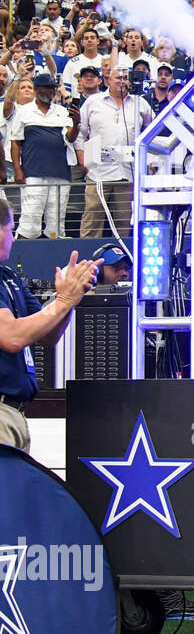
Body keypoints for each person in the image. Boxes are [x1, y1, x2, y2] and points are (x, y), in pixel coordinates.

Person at [0, 197, 100, 451]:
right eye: (10, 231)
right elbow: (11, 337)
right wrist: (64, 300)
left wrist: (69, 298)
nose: (13, 238)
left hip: (15, 411)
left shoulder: (9, 277)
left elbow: (47, 336)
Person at [76, 68, 152, 239]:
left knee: (124, 222)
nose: (122, 81)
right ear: (108, 80)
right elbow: (79, 133)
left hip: (128, 172)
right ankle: (87, 257)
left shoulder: (141, 103)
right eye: (118, 77)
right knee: (92, 218)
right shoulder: (93, 102)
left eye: (126, 78)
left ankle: (120, 259)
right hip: (97, 171)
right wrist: (81, 156)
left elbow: (152, 133)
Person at [9, 71, 76, 239]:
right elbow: (15, 143)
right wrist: (18, 169)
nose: (51, 91)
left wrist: (77, 123)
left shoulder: (62, 111)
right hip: (34, 172)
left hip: (60, 172)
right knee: (30, 219)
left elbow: (71, 137)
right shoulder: (24, 111)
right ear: (37, 89)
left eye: (53, 88)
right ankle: (24, 257)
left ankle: (54, 256)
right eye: (47, 88)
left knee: (56, 223)